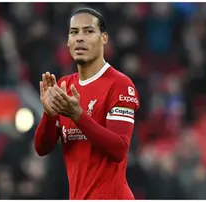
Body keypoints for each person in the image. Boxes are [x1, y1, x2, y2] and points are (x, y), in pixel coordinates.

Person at [34, 7, 139, 200]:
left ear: (104, 38)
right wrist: (48, 115)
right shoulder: (65, 85)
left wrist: (78, 116)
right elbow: (42, 148)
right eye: (74, 32)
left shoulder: (120, 85)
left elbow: (119, 149)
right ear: (67, 41)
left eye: (89, 31)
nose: (79, 38)